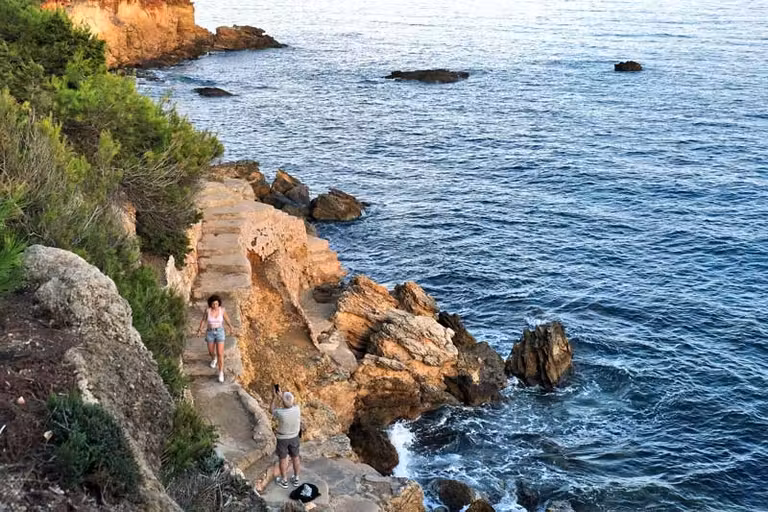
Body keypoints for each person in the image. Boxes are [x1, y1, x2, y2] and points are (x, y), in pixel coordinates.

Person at [196, 294, 235, 383]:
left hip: (220, 332)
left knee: (220, 353)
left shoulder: (222, 310)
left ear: (219, 304)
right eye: (213, 304)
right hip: (210, 332)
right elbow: (204, 320)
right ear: (210, 304)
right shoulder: (207, 311)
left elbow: (227, 319)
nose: (215, 306)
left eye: (217, 304)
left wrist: (231, 327)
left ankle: (221, 372)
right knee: (210, 351)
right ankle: (214, 359)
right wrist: (200, 330)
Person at [270, 389, 301, 489]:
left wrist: (275, 397)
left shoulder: (280, 413)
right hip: (295, 437)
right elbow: (291, 403)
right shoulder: (297, 409)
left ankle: (284, 480)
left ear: (283, 402)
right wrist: (283, 397)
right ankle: (296, 478)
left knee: (283, 459)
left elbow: (271, 410)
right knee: (296, 458)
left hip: (282, 438)